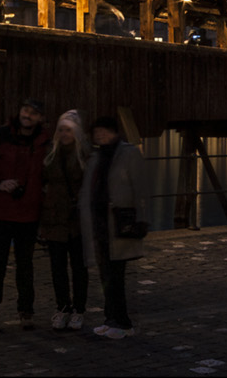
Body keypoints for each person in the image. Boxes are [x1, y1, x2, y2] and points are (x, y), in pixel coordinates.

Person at [0, 98, 48, 333]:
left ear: (40, 118)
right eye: (26, 110)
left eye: (34, 113)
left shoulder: (45, 141)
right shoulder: (0, 135)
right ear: (20, 111)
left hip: (29, 213)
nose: (28, 115)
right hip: (1, 212)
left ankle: (26, 311)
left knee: (26, 265)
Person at [79, 114, 150, 340]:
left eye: (104, 131)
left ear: (114, 132)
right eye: (96, 132)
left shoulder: (128, 153)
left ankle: (123, 323)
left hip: (119, 223)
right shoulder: (97, 156)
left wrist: (141, 218)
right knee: (105, 275)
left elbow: (141, 187)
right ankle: (110, 319)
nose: (100, 135)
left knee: (115, 276)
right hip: (100, 224)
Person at [38, 109, 91, 332]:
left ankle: (79, 309)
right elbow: (41, 182)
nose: (64, 133)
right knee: (57, 267)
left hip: (77, 219)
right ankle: (63, 307)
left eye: (68, 130)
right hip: (54, 218)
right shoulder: (50, 153)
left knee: (79, 267)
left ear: (76, 131)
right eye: (61, 129)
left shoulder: (85, 154)